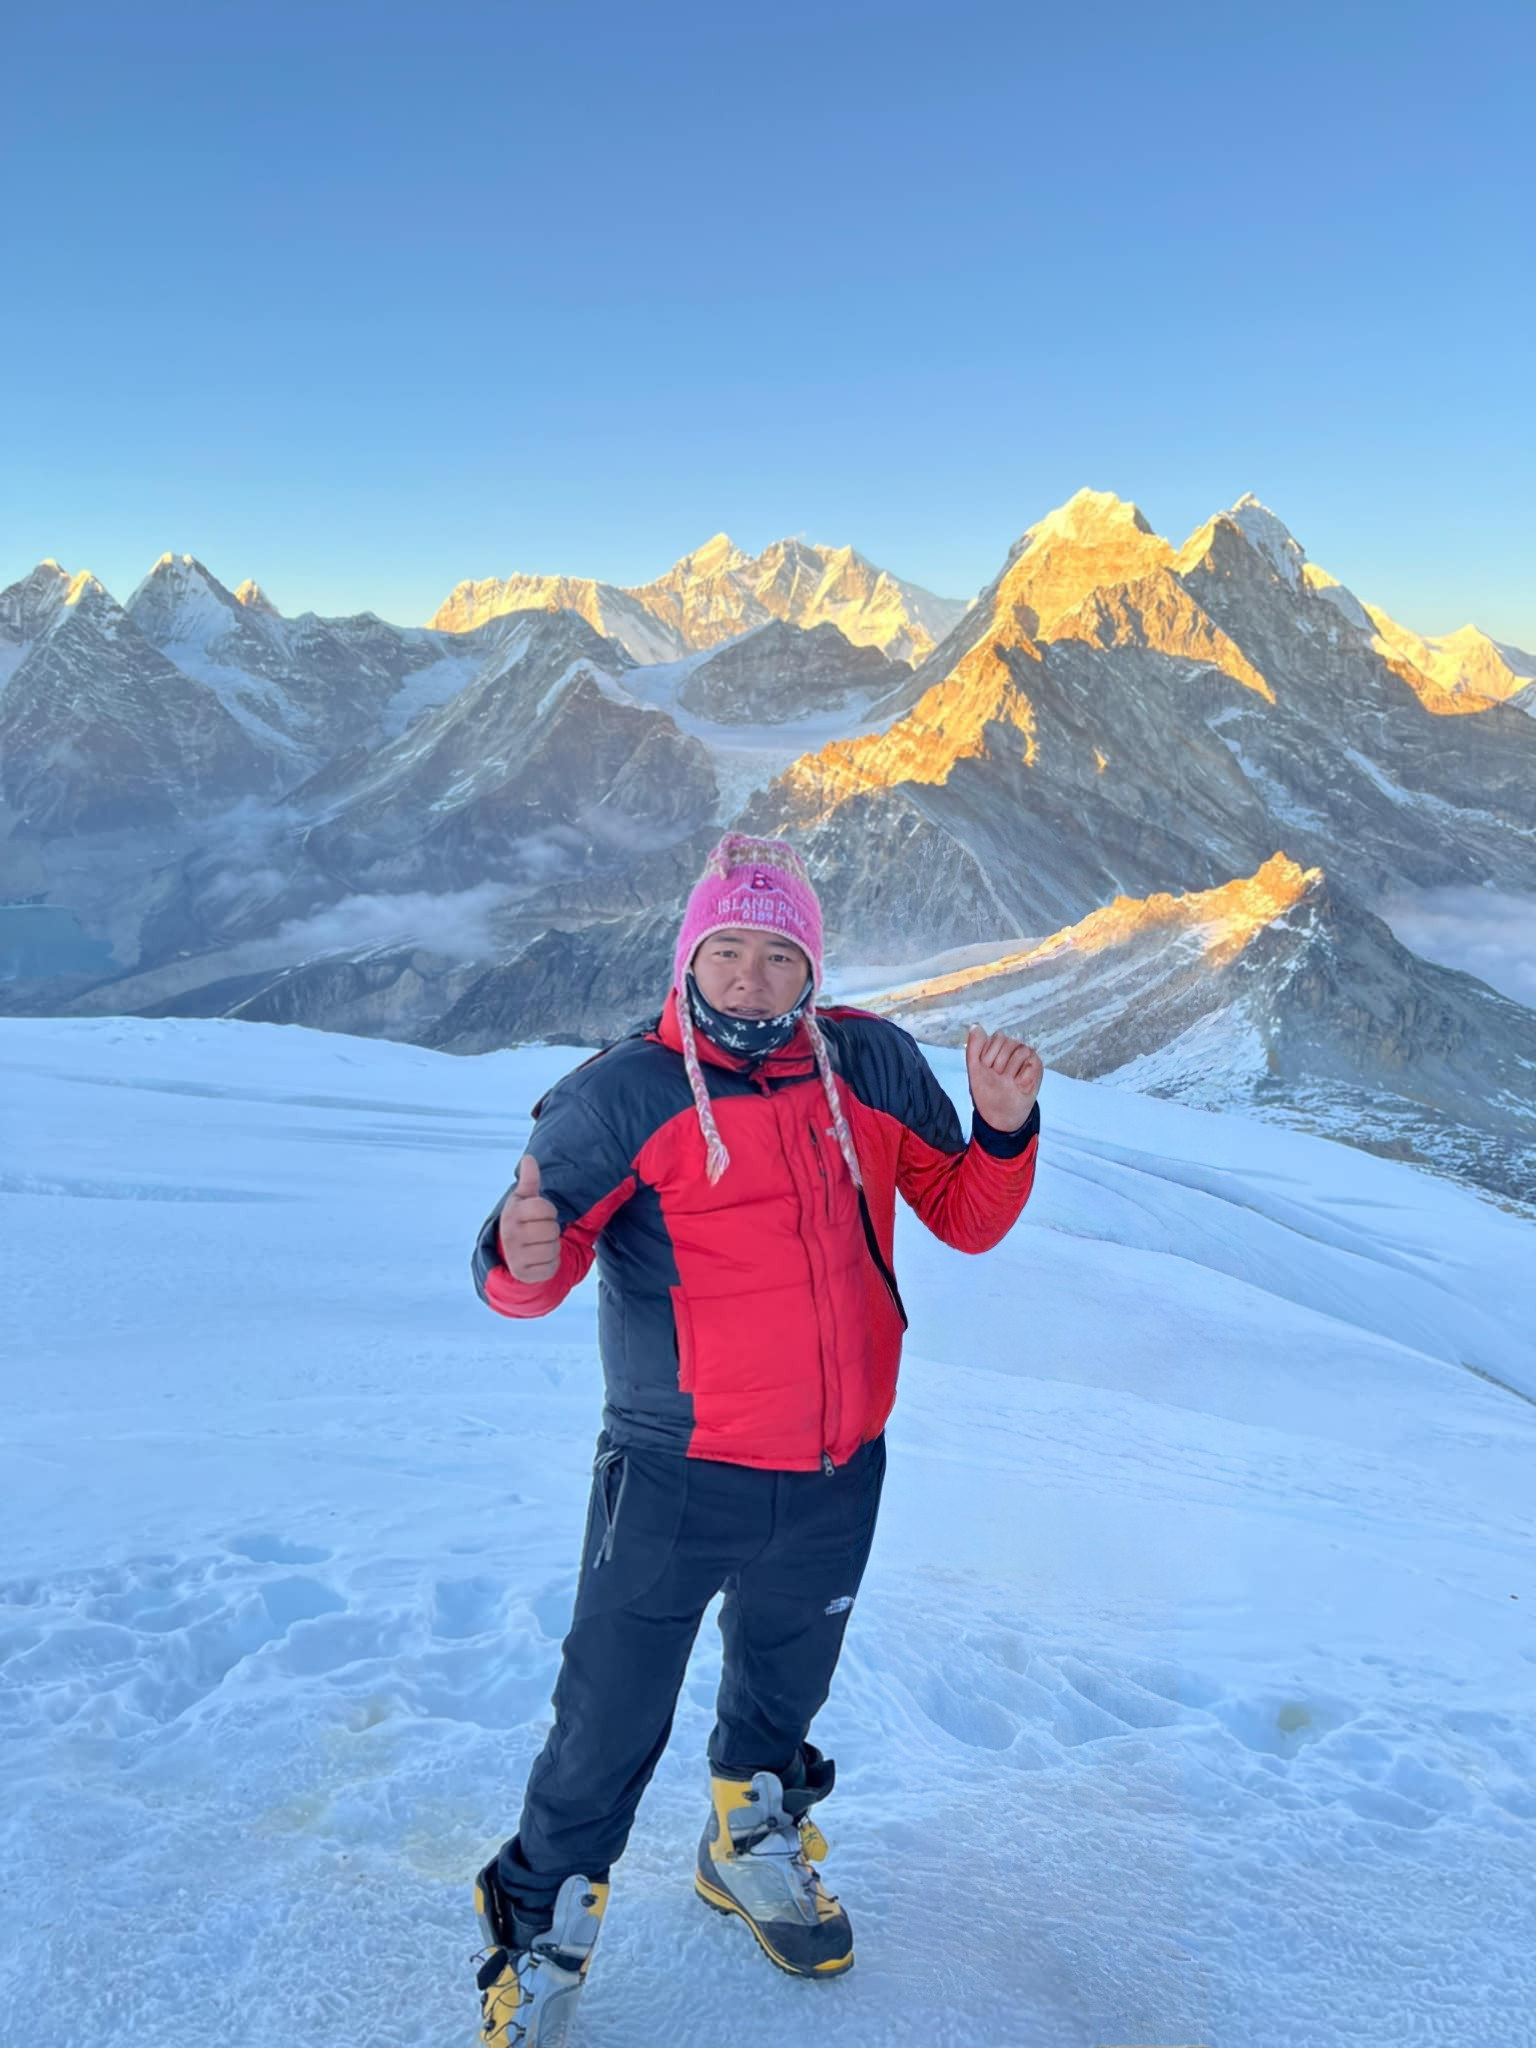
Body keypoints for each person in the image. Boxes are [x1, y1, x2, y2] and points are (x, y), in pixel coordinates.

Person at [468, 833, 1042, 2046]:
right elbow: (535, 1264)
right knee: (608, 1716)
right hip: (676, 1469)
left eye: (779, 954)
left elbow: (962, 1216)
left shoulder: (870, 1061)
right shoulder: (620, 1093)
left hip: (838, 1463)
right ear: (688, 956)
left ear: (811, 969)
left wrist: (1000, 1130)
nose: (750, 975)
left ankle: (749, 1839)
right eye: (726, 947)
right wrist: (518, 1260)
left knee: (785, 1682)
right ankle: (542, 1935)